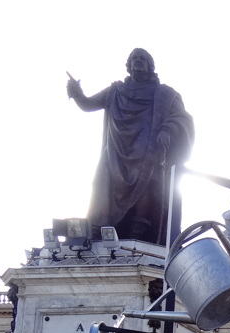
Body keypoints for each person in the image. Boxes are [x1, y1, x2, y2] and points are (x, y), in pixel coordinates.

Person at [67, 49, 194, 245]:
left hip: (149, 153)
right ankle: (102, 229)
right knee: (104, 189)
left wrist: (167, 129)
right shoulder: (116, 91)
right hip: (116, 154)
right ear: (128, 64)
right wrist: (77, 94)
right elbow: (88, 104)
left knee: (147, 189)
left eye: (143, 59)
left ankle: (138, 233)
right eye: (134, 58)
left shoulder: (165, 94)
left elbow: (182, 118)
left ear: (151, 65)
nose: (138, 62)